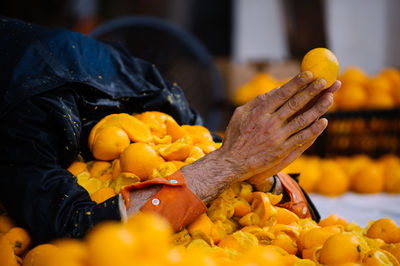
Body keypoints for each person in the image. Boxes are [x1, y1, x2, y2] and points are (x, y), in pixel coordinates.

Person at [0, 17, 340, 244]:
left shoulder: (156, 94)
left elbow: (216, 150)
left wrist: (266, 177)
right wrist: (228, 163)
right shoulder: (28, 120)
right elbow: (76, 229)